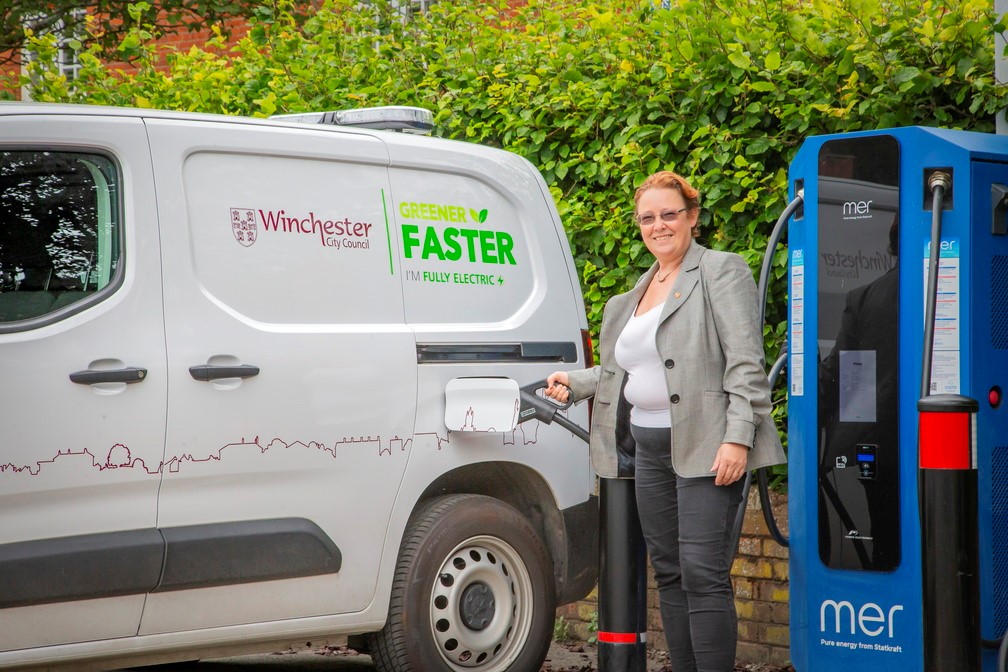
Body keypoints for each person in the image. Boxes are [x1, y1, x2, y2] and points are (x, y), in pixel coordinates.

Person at [545, 170, 785, 672]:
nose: (659, 225)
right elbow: (619, 368)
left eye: (669, 214)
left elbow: (745, 364)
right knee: (671, 573)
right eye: (648, 217)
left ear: (692, 218)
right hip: (647, 448)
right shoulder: (633, 294)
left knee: (703, 572)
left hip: (706, 443)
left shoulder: (720, 271)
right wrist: (576, 381)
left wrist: (738, 439)